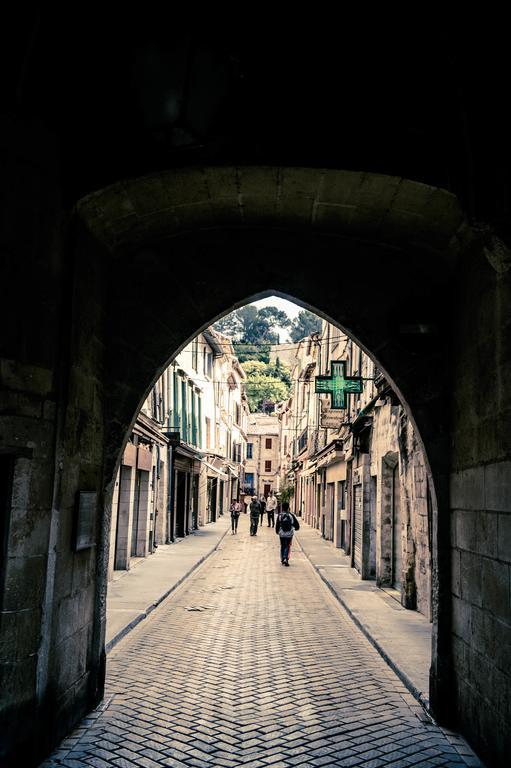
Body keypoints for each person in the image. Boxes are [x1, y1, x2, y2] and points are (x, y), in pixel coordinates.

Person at [275, 501, 300, 566]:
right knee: (288, 545)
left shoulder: (280, 515)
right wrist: (296, 528)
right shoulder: (291, 515)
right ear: (288, 508)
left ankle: (282, 558)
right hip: (289, 534)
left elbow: (277, 524)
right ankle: (286, 558)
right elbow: (296, 525)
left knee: (283, 545)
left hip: (282, 533)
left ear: (282, 508)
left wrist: (277, 531)